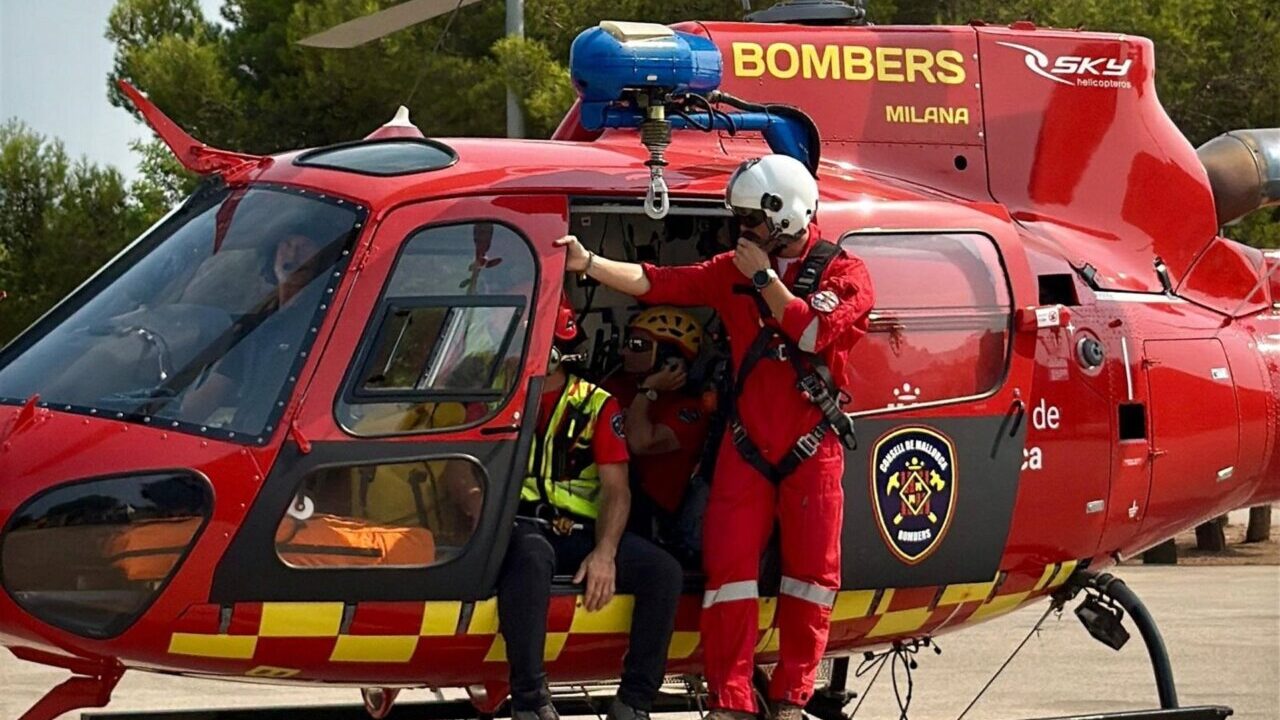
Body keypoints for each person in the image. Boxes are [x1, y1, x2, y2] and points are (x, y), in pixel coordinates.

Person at [554, 154, 875, 720]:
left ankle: (793, 695)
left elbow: (810, 332)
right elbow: (660, 284)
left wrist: (762, 279)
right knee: (728, 576)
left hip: (811, 448)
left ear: (785, 215)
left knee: (812, 577)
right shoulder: (733, 268)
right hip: (746, 447)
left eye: (750, 219)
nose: (741, 231)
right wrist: (591, 263)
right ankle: (731, 698)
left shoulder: (843, 274)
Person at [498, 294, 683, 720]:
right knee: (530, 556)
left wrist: (605, 553)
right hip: (519, 526)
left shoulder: (597, 405)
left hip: (580, 531)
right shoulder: (501, 396)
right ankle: (529, 701)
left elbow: (617, 490)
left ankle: (634, 701)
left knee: (664, 572)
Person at [604, 306, 710, 533]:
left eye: (637, 346)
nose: (624, 352)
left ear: (667, 359)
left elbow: (640, 443)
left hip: (648, 516)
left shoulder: (691, 411)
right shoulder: (616, 386)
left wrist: (648, 391)